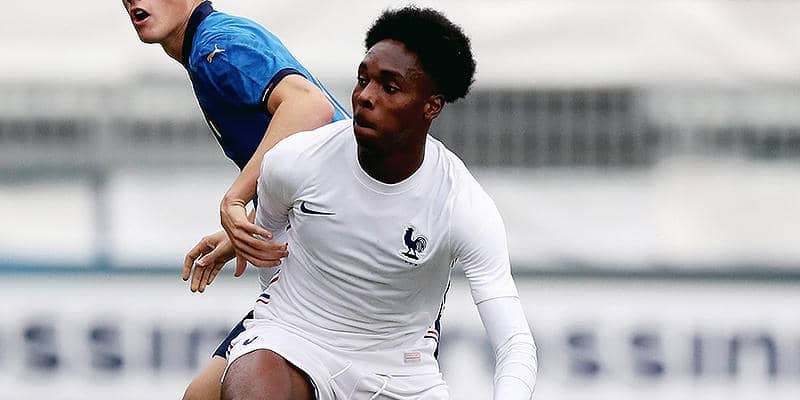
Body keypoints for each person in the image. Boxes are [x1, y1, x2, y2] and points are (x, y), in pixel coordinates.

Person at [221, 6, 538, 400]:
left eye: (389, 88)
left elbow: (515, 345)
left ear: (431, 106)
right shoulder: (294, 161)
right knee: (241, 386)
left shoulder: (462, 205)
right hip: (293, 338)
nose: (365, 97)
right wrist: (280, 316)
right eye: (362, 80)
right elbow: (269, 250)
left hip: (400, 373)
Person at [121, 1, 348, 399]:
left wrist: (235, 199)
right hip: (329, 246)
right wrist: (252, 224)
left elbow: (309, 106)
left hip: (344, 259)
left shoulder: (216, 47)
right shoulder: (207, 46)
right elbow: (312, 156)